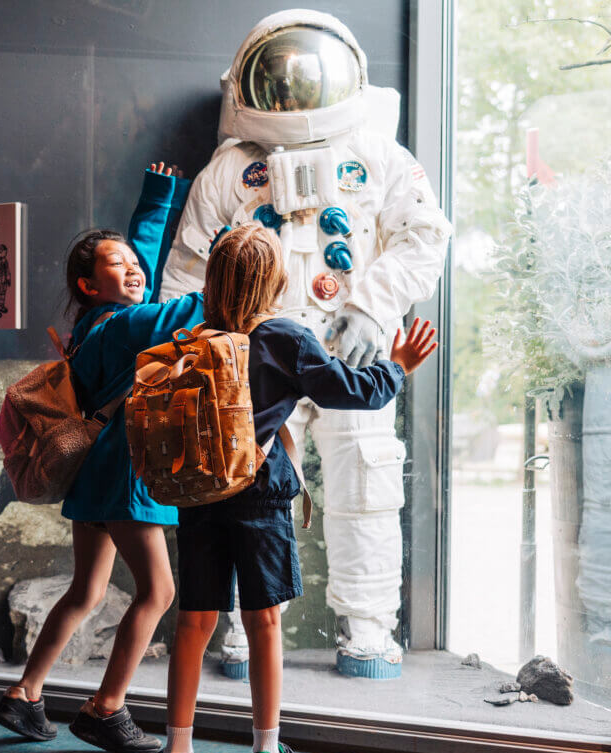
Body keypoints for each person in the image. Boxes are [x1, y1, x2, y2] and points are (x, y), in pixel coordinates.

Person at [158, 9, 452, 679]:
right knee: (238, 483)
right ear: (250, 84)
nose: (293, 96)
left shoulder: (378, 155)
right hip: (254, 360)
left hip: (351, 348)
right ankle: (239, 631)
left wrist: (372, 310)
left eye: (305, 80)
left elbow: (423, 237)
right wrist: (203, 353)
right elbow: (186, 269)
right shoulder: (229, 169)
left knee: (365, 483)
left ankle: (368, 630)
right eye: (279, 83)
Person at [154, 225, 438, 753]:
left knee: (193, 622)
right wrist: (398, 366)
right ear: (278, 280)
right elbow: (353, 392)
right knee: (263, 621)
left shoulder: (193, 336)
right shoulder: (284, 336)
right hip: (258, 495)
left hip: (200, 494)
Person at [0, 163, 198, 753]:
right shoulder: (125, 328)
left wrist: (158, 199)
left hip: (93, 480)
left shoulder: (99, 325)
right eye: (118, 264)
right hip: (125, 477)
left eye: (134, 262)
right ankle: (105, 708)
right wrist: (244, 276)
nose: (134, 268)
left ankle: (25, 694)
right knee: (157, 593)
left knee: (85, 591)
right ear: (88, 284)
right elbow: (186, 310)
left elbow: (148, 264)